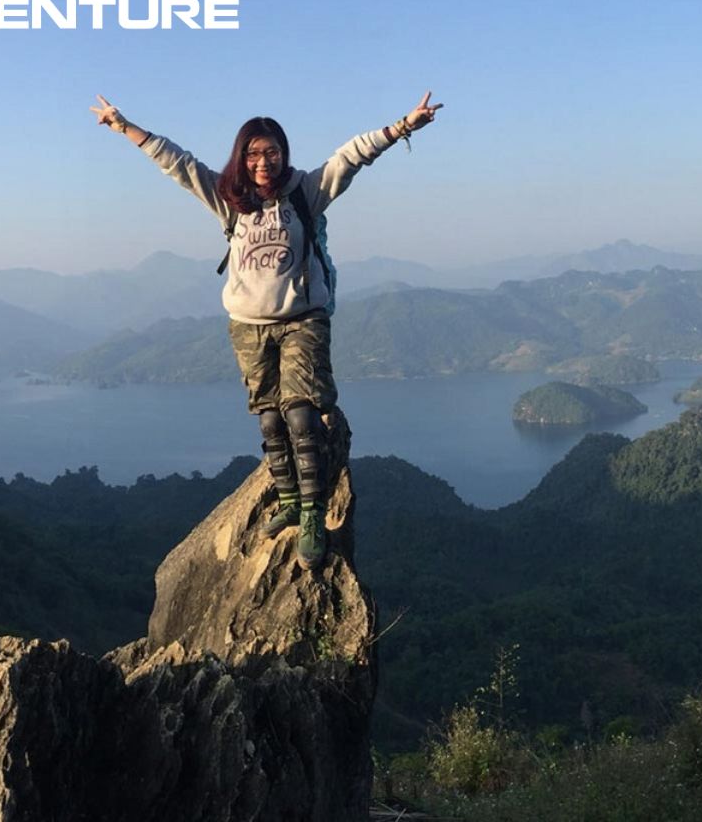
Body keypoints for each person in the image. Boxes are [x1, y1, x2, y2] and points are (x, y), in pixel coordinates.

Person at [89, 92, 443, 569]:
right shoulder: (227, 198)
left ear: (284, 152)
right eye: (253, 153)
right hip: (247, 326)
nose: (263, 161)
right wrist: (123, 125)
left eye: (271, 151)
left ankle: (314, 513)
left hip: (302, 319)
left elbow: (352, 156)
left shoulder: (306, 191)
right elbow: (177, 162)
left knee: (300, 414)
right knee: (270, 419)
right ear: (241, 156)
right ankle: (290, 499)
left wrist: (403, 126)